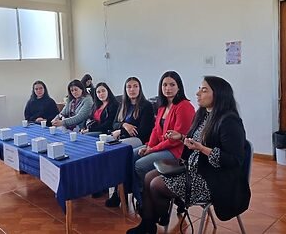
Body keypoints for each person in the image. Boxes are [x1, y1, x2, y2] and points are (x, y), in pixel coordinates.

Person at [127, 76, 251, 234]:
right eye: (199, 88)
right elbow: (196, 141)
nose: (198, 93)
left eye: (204, 90)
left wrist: (202, 149)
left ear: (219, 94)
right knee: (149, 177)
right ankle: (149, 223)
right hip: (195, 169)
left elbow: (234, 160)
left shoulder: (229, 121)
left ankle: (154, 219)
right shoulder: (204, 114)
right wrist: (182, 137)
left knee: (156, 184)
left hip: (214, 179)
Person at [132, 71, 195, 205]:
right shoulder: (162, 106)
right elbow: (156, 130)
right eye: (164, 85)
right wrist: (149, 146)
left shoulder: (184, 106)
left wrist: (151, 150)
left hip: (177, 152)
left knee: (140, 165)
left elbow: (175, 139)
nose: (168, 88)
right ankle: (139, 193)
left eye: (172, 84)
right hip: (162, 147)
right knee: (131, 155)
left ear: (179, 87)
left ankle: (151, 200)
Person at [106, 77, 154, 207]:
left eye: (135, 86)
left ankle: (121, 192)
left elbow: (143, 131)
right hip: (123, 137)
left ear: (140, 88)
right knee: (106, 147)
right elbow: (114, 123)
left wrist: (121, 132)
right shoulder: (123, 105)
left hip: (140, 140)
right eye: (129, 87)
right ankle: (119, 191)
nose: (132, 89)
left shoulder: (146, 106)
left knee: (119, 153)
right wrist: (124, 125)